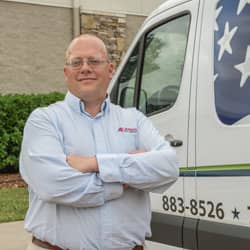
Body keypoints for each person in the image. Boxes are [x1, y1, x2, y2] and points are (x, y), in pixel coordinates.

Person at [20, 34, 179, 250]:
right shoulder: (44, 120)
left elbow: (169, 166)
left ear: (110, 70)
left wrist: (94, 163)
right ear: (67, 73)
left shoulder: (134, 119)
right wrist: (125, 178)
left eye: (94, 61)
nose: (85, 68)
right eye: (77, 62)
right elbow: (53, 185)